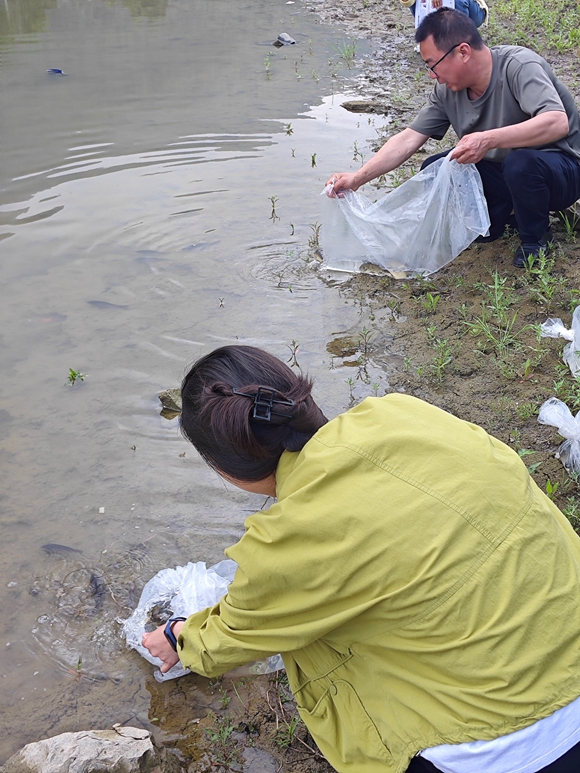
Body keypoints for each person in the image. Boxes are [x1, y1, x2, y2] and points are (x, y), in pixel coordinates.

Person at [142, 344, 580, 773]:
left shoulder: (290, 537)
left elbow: (233, 636)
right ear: (300, 398)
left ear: (225, 469)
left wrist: (179, 636)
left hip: (512, 745)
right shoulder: (403, 414)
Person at [327, 8, 580, 268]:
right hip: (504, 172)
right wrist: (357, 179)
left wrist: (487, 139)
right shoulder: (446, 91)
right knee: (436, 168)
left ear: (463, 52)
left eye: (432, 65)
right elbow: (408, 139)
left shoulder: (519, 66)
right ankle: (511, 215)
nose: (431, 75)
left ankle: (536, 240)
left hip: (561, 170)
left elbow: (556, 122)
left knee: (522, 165)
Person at [400, 0, 488, 30]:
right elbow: (408, 3)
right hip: (435, 12)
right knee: (415, 3)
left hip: (472, 13)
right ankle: (431, 38)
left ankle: (461, 39)